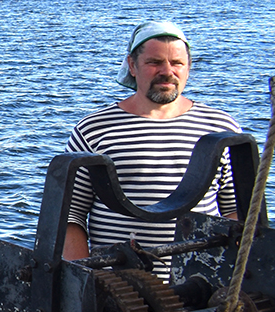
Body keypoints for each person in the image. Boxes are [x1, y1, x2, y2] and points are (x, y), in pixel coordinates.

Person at [62, 20, 241, 278]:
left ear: (189, 66)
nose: (167, 72)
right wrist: (85, 280)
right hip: (118, 287)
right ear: (132, 66)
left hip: (203, 284)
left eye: (177, 63)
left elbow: (236, 212)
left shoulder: (222, 129)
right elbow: (71, 216)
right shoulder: (94, 130)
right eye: (154, 62)